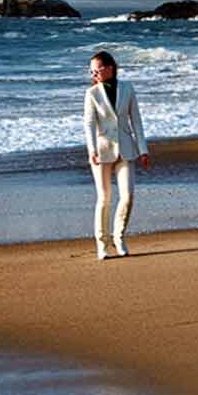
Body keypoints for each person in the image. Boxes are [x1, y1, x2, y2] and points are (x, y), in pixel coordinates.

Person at [83, 51, 150, 260]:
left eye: (98, 68)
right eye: (92, 70)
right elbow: (89, 124)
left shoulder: (127, 88)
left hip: (126, 148)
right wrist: (91, 150)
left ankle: (119, 237)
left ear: (110, 67)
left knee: (128, 196)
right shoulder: (92, 93)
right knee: (104, 199)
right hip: (102, 151)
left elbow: (136, 120)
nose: (94, 73)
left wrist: (143, 149)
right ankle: (102, 244)